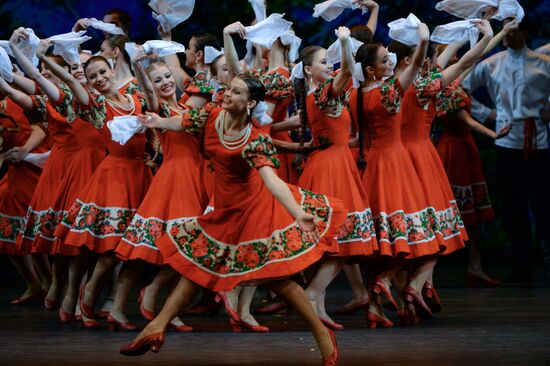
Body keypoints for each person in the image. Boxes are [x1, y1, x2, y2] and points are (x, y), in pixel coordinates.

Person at [120, 74, 343, 366]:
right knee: (198, 267)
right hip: (225, 209)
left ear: (250, 103)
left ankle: (322, 334)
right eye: (228, 88)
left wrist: (297, 212)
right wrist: (157, 122)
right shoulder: (213, 115)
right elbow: (184, 122)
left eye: (236, 92)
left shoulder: (255, 139)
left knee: (276, 279)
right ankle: (156, 327)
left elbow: (272, 181)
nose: (226, 94)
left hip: (254, 210)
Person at [463, 15, 550, 280]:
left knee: (544, 203)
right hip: (506, 140)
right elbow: (461, 88)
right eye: (506, 31)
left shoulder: (543, 63)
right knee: (514, 205)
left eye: (513, 31)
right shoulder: (492, 64)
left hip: (540, 140)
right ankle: (523, 263)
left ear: (525, 33)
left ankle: (547, 258)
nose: (508, 36)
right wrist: (488, 114)